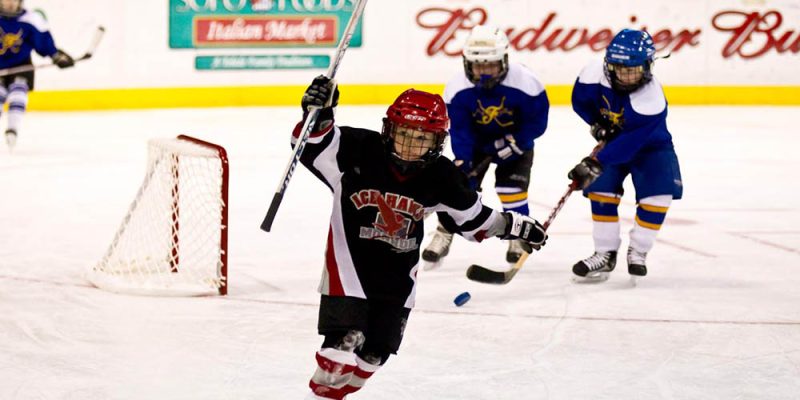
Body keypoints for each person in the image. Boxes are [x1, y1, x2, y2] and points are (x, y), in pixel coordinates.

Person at [293, 76, 548, 400]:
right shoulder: (357, 151)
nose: (410, 146)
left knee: (374, 355)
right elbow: (311, 145)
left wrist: (516, 226)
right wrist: (318, 113)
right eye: (403, 135)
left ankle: (333, 395)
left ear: (438, 141)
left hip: (398, 282)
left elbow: (474, 221)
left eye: (421, 139)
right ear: (389, 130)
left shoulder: (442, 176)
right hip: (349, 273)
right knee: (345, 341)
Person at [422, 25, 549, 267]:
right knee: (458, 188)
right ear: (467, 63)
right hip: (477, 144)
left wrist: (514, 142)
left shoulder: (526, 82)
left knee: (511, 189)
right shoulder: (457, 88)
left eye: (490, 65)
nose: (485, 73)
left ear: (504, 60)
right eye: (479, 66)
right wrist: (464, 159)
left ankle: (517, 234)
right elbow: (460, 129)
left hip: (516, 142)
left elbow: (537, 122)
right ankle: (444, 232)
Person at [566, 29, 683, 282]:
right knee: (601, 191)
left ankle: (639, 250)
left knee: (658, 197)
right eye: (620, 69)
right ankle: (604, 253)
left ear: (648, 66)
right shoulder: (592, 74)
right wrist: (597, 123)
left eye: (634, 70)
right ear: (609, 64)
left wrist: (597, 162)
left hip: (651, 147)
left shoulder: (651, 97)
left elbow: (630, 142)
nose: (627, 76)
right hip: (613, 144)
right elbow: (580, 102)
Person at [0, 0, 74, 150]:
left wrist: (56, 56)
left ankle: (12, 130)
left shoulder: (30, 19)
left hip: (21, 66)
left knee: (18, 92)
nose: (10, 3)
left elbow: (43, 43)